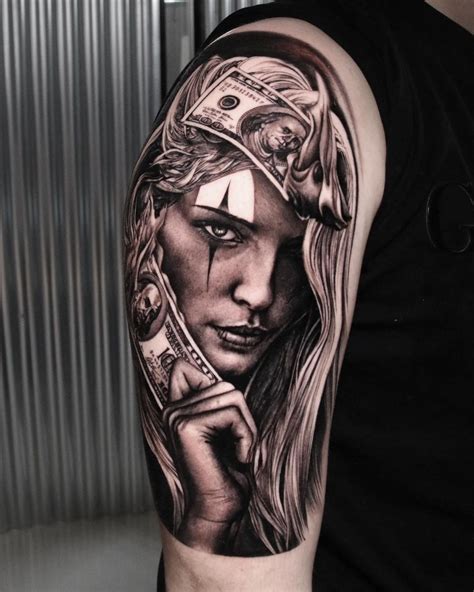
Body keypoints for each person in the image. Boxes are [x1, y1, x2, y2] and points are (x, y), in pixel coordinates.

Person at [124, 0, 473, 590]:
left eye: (296, 255)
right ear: (150, 221)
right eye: (222, 232)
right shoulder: (333, 67)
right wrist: (214, 522)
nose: (260, 292)